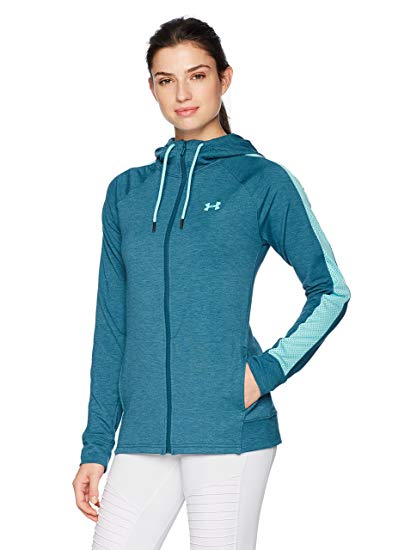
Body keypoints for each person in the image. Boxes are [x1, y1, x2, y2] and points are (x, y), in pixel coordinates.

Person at [72, 16, 351, 550]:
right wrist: (96, 444)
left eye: (197, 76)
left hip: (230, 429)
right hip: (143, 432)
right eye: (166, 80)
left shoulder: (261, 181)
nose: (182, 94)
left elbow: (331, 291)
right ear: (152, 88)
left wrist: (263, 372)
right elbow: (112, 327)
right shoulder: (127, 193)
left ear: (224, 78)